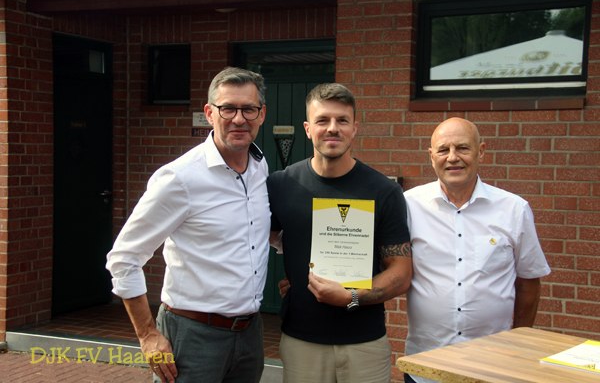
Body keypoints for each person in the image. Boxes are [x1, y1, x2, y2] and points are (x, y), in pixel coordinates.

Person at [106, 67, 271, 383]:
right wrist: (147, 335)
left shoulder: (259, 168)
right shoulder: (180, 178)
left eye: (248, 109)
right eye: (228, 109)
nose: (239, 119)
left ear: (261, 114)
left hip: (250, 335)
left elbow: (259, 233)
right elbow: (124, 258)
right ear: (209, 113)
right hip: (193, 336)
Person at [268, 83, 413, 383]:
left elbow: (400, 273)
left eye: (342, 120)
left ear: (354, 128)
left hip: (364, 343)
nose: (332, 128)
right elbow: (254, 238)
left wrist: (351, 297)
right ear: (308, 129)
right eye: (322, 120)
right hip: (301, 341)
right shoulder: (281, 185)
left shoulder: (383, 191)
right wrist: (294, 272)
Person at [403, 117, 551, 383]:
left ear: (481, 151)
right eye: (443, 150)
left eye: (462, 148)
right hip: (426, 365)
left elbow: (529, 282)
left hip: (494, 366)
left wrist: (518, 343)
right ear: (431, 156)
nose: (452, 157)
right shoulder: (408, 205)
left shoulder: (514, 209)